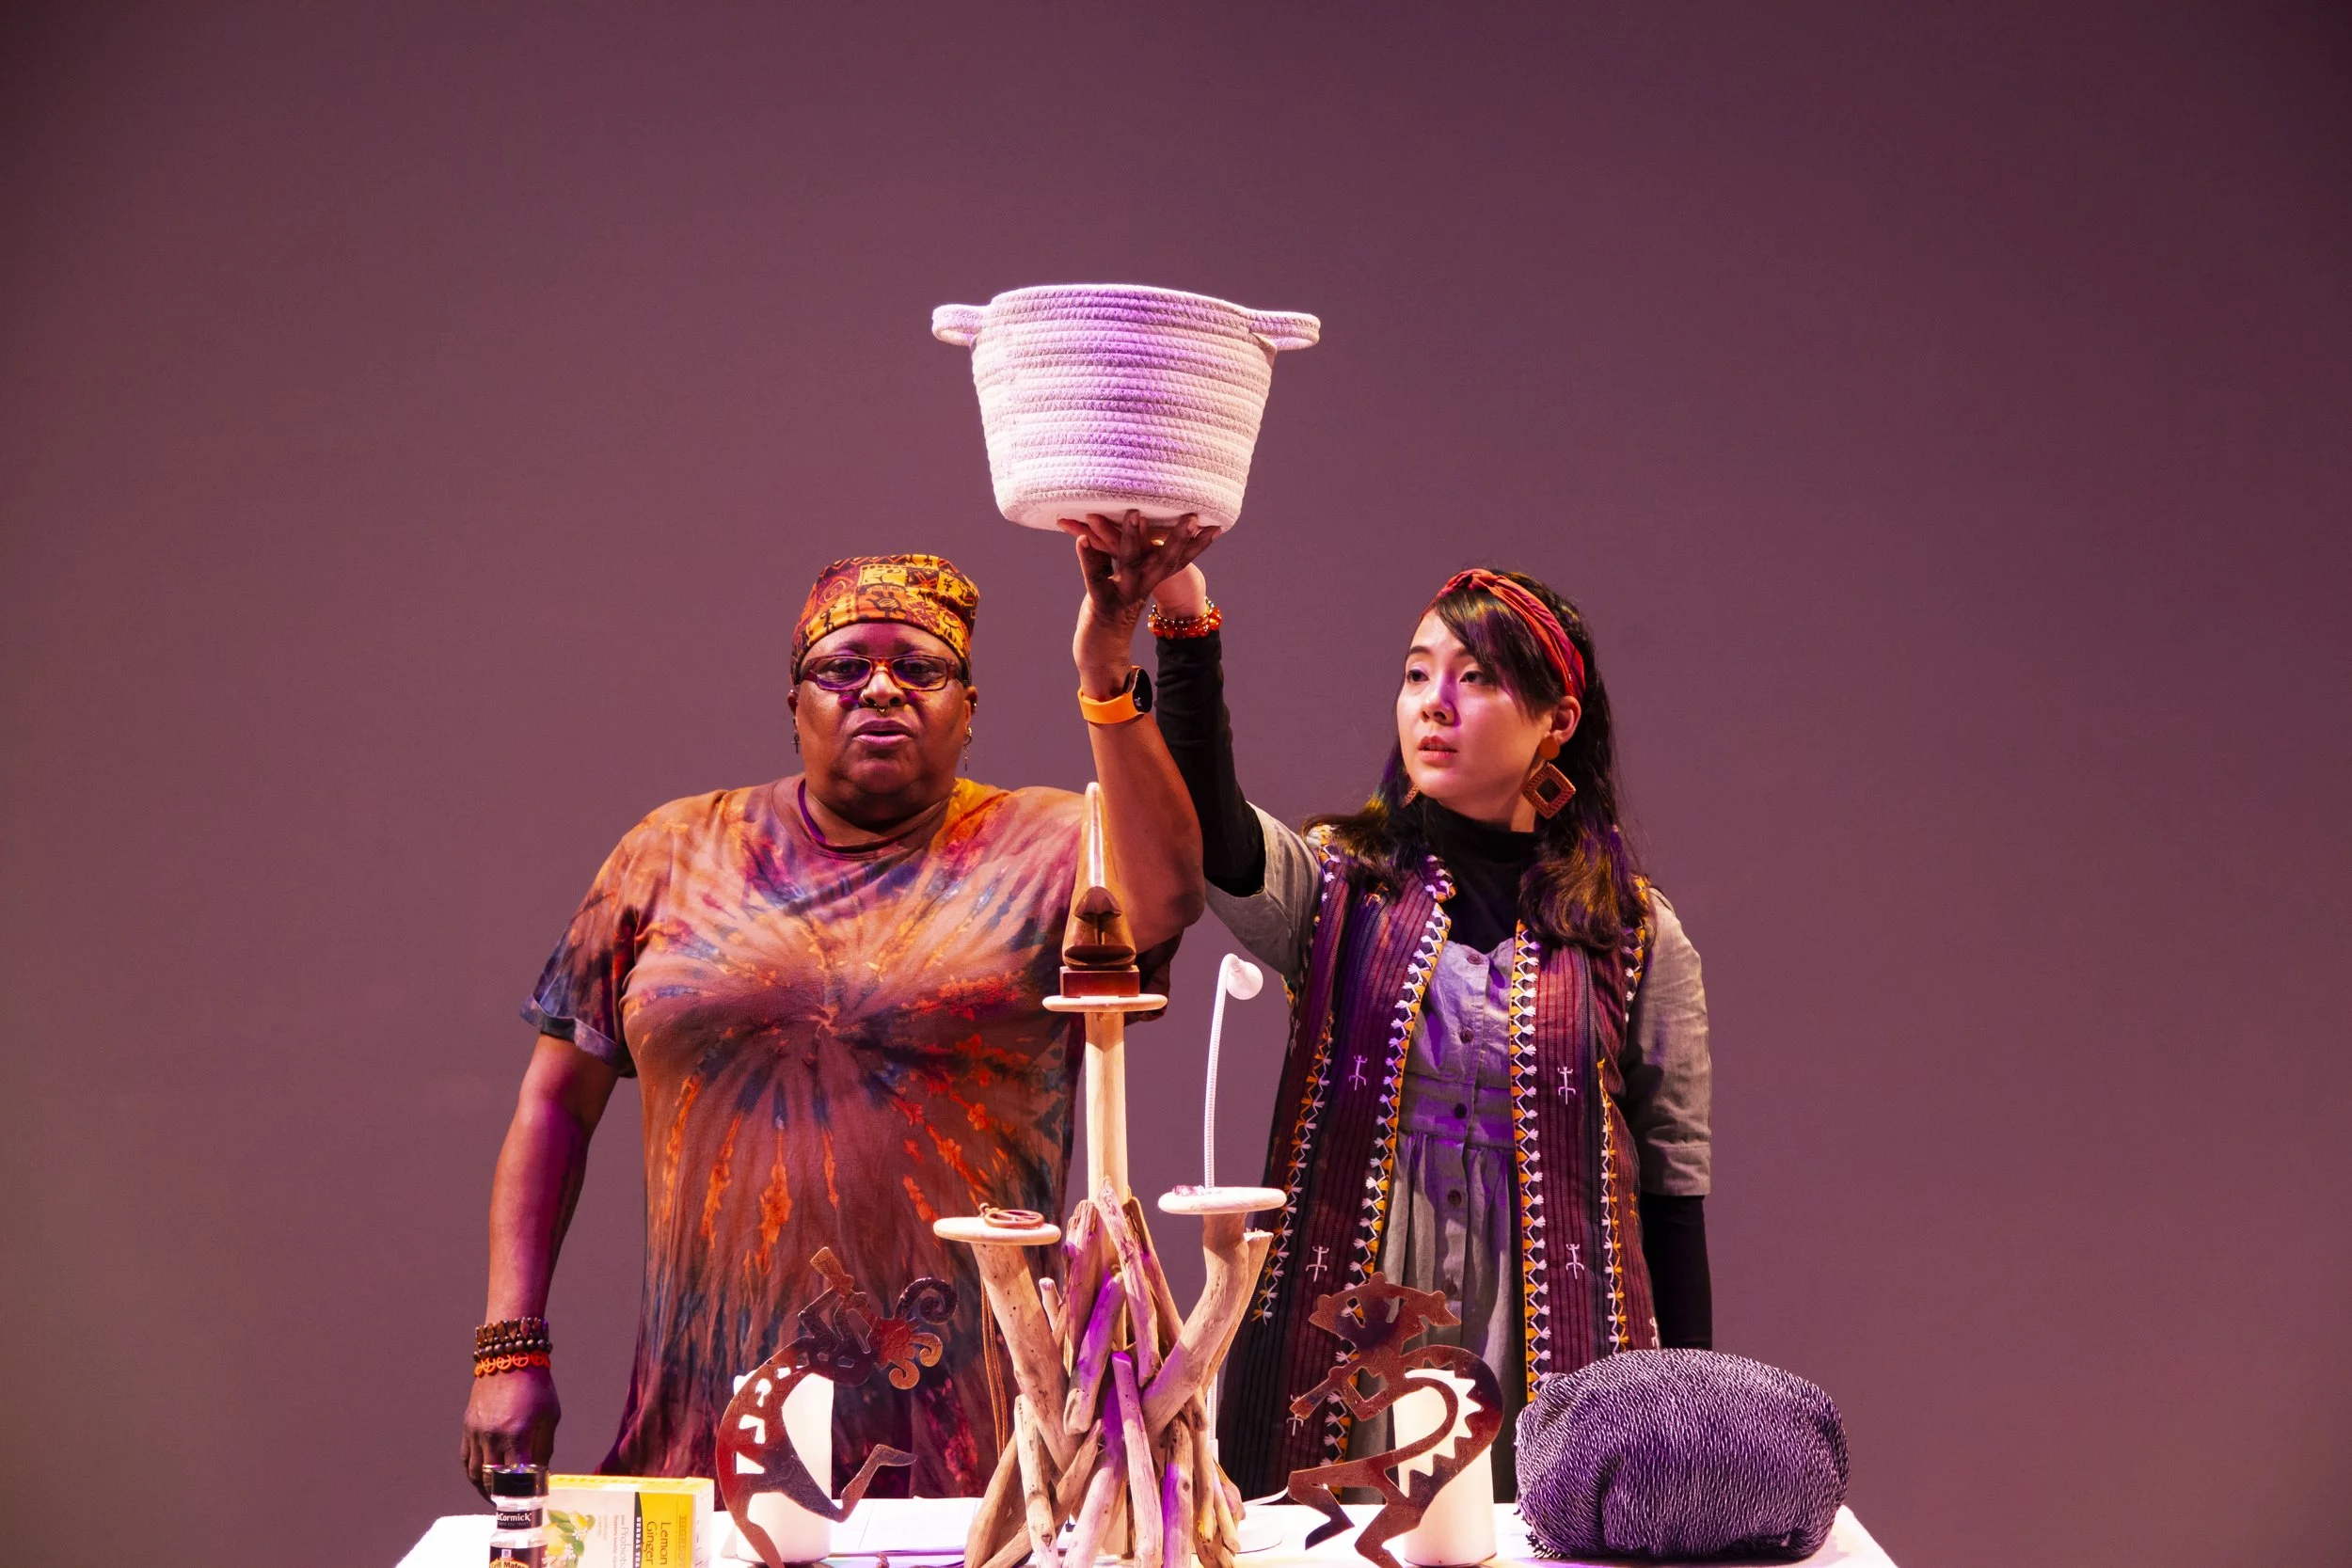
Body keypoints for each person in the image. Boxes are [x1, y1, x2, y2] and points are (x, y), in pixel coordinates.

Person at [460, 527, 1210, 1496]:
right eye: (843, 666)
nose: (882, 688)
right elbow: (555, 1104)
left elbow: (1170, 893)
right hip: (710, 1422)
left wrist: (1106, 667)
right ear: (795, 704)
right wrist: (509, 1345)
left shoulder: (1052, 844)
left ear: (970, 708)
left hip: (976, 1443)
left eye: (922, 667)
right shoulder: (671, 851)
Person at [1110, 537, 1713, 1500]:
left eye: (1476, 678)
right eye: (1416, 673)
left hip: (1554, 1335)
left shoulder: (1631, 933)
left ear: (1557, 719)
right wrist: (1184, 615)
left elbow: (1673, 1198)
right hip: (1356, 1320)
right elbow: (1210, 827)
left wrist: (1692, 1425)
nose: (1434, 701)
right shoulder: (1338, 887)